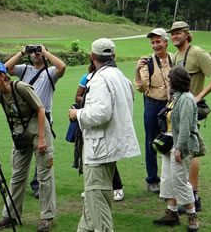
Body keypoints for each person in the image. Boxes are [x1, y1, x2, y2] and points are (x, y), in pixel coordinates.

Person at [69, 38, 141, 232]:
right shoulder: (121, 77)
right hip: (111, 144)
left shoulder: (101, 79)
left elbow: (101, 113)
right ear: (113, 56)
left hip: (99, 148)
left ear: (92, 57)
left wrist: (78, 114)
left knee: (97, 197)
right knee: (97, 196)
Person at [0, 61, 56, 232]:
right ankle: (10, 215)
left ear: (3, 76)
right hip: (19, 136)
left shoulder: (20, 87)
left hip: (38, 132)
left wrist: (42, 138)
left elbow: (41, 109)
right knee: (17, 176)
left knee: (44, 176)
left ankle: (47, 217)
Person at [168, 21, 211, 212]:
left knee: (191, 150)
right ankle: (185, 195)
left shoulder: (197, 53)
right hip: (178, 108)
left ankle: (194, 195)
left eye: (178, 33)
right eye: (173, 33)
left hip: (191, 109)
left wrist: (199, 96)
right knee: (182, 150)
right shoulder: (177, 55)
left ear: (187, 34)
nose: (174, 36)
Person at [5, 44, 66, 199]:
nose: (36, 54)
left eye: (39, 52)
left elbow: (61, 67)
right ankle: (20, 184)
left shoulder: (50, 72)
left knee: (41, 154)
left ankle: (37, 185)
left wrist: (45, 52)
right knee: (21, 154)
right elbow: (5, 68)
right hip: (24, 120)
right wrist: (22, 52)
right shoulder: (24, 69)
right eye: (34, 52)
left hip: (43, 118)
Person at [153, 66, 200, 231]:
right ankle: (171, 213)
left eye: (170, 78)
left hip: (179, 145)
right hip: (169, 142)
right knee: (167, 178)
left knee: (180, 181)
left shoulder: (186, 99)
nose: (168, 81)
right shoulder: (175, 97)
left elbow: (186, 127)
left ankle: (192, 216)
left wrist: (180, 148)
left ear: (177, 81)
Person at [75, 64, 125, 202]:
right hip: (87, 120)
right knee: (88, 158)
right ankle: (92, 188)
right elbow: (77, 97)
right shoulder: (87, 78)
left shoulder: (109, 79)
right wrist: (88, 101)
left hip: (103, 123)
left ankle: (117, 187)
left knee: (107, 157)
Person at [134, 28, 172, 193]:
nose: (156, 45)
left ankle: (170, 178)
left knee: (171, 140)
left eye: (158, 42)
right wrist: (137, 70)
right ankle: (152, 180)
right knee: (151, 142)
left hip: (170, 105)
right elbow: (141, 88)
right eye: (153, 42)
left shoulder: (174, 59)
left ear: (166, 42)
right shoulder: (147, 63)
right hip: (152, 104)